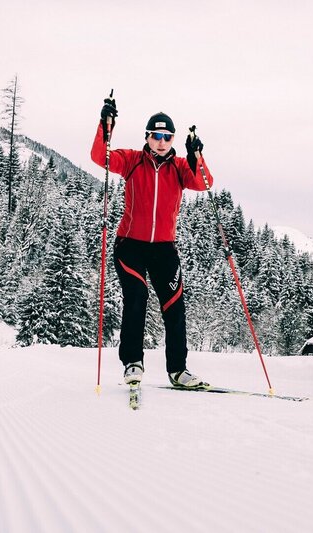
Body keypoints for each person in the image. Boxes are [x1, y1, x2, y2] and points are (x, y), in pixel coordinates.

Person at [91, 96, 211, 389]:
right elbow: (100, 157)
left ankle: (178, 371)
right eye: (156, 136)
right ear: (147, 137)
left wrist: (196, 156)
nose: (161, 142)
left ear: (172, 140)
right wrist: (105, 125)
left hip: (164, 249)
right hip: (130, 245)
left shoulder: (180, 168)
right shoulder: (132, 160)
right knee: (137, 296)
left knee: (174, 305)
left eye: (166, 137)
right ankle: (132, 363)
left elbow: (204, 182)